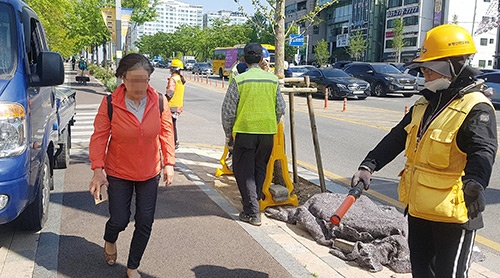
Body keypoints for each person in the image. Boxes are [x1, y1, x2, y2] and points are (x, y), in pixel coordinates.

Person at [350, 24, 497, 277]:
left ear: (454, 66)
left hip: (455, 213)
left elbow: (483, 150)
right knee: (420, 272)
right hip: (418, 209)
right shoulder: (425, 103)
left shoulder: (476, 107)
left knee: (448, 275)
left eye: (431, 68)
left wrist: (476, 182)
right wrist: (369, 165)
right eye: (424, 68)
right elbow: (396, 138)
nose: (425, 74)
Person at [89, 53, 175, 278]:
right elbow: (99, 137)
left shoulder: (159, 101)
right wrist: (98, 170)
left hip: (149, 171)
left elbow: (166, 132)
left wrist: (169, 163)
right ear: (123, 78)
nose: (139, 85)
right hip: (119, 171)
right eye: (133, 80)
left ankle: (132, 266)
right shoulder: (110, 103)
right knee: (119, 219)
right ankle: (110, 238)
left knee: (145, 221)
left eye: (144, 80)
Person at [221, 42, 286, 226]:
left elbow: (228, 112)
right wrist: (270, 121)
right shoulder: (272, 80)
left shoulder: (239, 80)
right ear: (260, 59)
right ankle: (253, 202)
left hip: (245, 132)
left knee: (243, 172)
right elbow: (281, 108)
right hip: (267, 133)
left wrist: (228, 135)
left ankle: (252, 211)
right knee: (259, 169)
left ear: (243, 59)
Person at [165, 58, 186, 150]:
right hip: (178, 106)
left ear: (173, 69)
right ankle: (175, 141)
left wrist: (163, 99)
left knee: (169, 125)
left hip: (171, 106)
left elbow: (170, 93)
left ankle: (173, 142)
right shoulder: (180, 79)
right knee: (173, 124)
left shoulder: (173, 79)